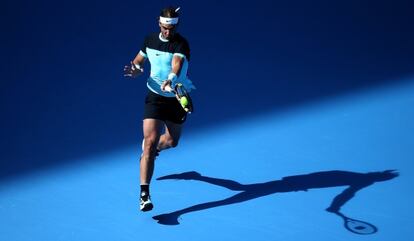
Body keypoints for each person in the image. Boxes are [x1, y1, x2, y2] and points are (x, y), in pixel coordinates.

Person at [124, 6, 195, 212]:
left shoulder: (181, 43)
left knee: (172, 142)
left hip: (175, 97)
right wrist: (136, 70)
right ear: (159, 23)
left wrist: (171, 80)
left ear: (176, 27)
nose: (167, 33)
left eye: (171, 29)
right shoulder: (149, 40)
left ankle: (153, 150)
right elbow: (138, 61)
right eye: (164, 28)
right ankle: (144, 194)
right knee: (149, 143)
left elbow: (177, 64)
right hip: (154, 97)